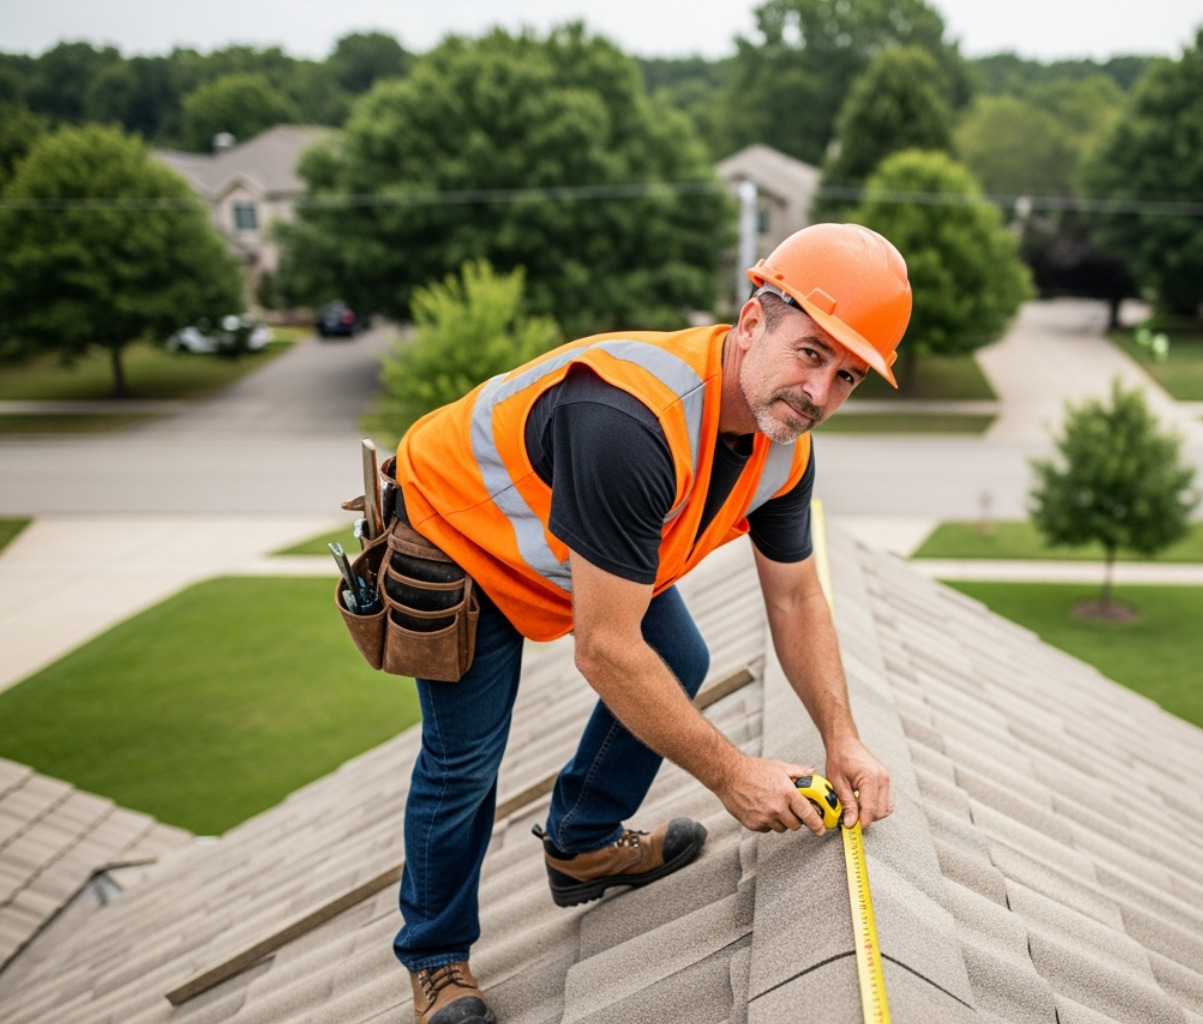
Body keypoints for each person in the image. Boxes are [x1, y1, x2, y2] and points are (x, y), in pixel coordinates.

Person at [390, 223, 910, 1024]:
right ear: (750, 324)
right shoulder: (630, 423)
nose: (820, 394)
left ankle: (582, 847)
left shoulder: (783, 448)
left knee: (679, 654)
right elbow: (603, 650)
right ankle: (436, 957)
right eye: (811, 353)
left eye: (848, 376)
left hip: (582, 541)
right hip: (463, 536)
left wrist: (843, 738)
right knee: (465, 761)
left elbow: (798, 598)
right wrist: (733, 775)